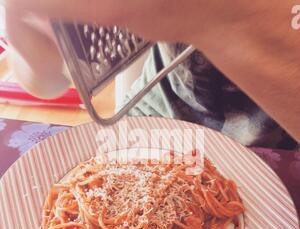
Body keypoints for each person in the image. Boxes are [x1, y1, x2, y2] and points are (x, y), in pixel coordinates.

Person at [3, 0, 300, 148]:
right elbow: (46, 79)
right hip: (155, 107)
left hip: (278, 149)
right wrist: (28, 28)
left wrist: (214, 19)